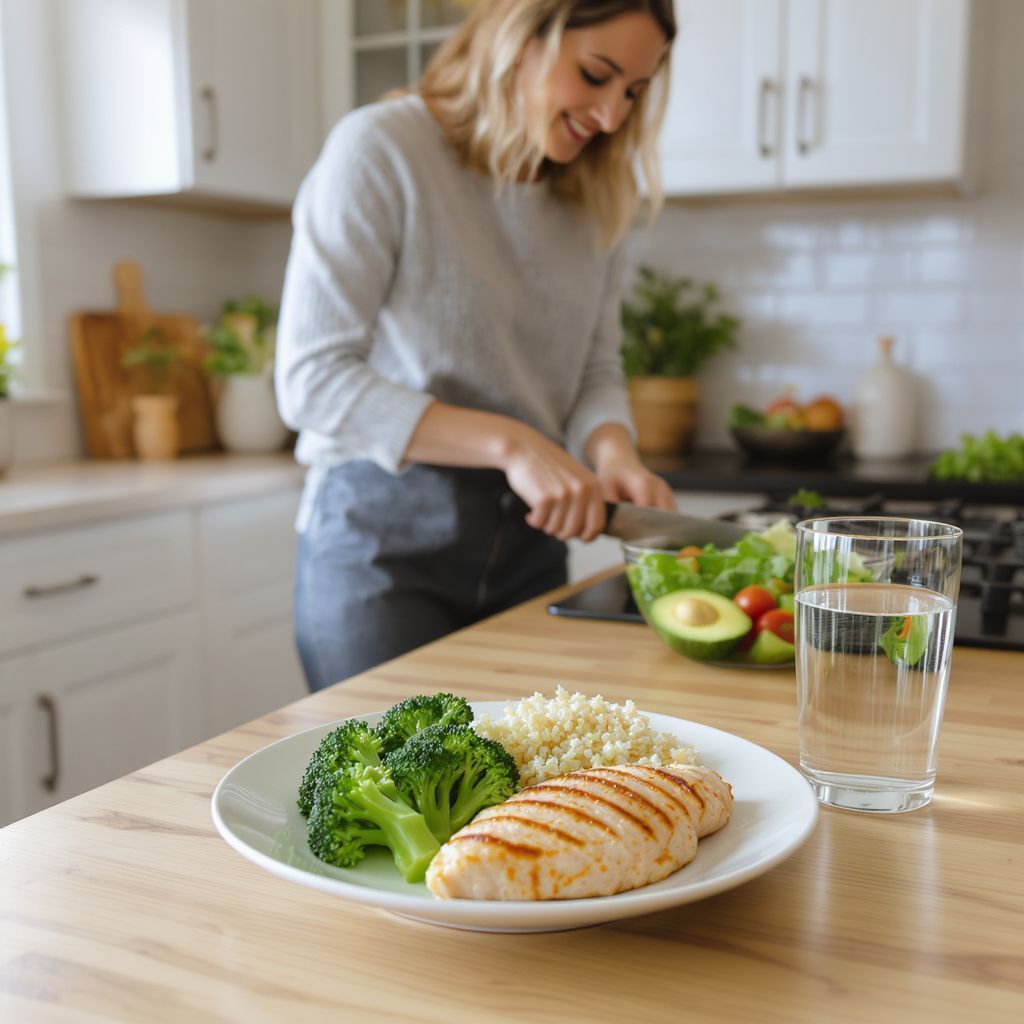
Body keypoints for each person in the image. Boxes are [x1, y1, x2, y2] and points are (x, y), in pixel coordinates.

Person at [276, 0, 678, 692]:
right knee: (394, 792)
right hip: (381, 550)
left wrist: (615, 455)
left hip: (530, 550)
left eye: (633, 93)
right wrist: (513, 443)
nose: (612, 116)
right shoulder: (380, 149)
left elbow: (595, 368)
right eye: (594, 75)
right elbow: (312, 379)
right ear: (521, 37)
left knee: (522, 794)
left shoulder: (599, 192)